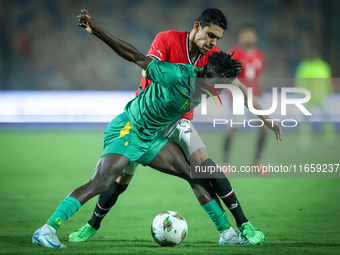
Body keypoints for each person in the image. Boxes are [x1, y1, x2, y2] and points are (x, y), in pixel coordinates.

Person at [32, 9, 282, 248]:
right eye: (216, 87)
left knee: (194, 172)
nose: (217, 92)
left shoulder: (211, 73)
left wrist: (266, 118)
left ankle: (228, 232)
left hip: (154, 134)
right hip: (131, 127)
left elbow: (239, 86)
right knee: (102, 182)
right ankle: (47, 230)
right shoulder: (174, 73)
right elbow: (136, 57)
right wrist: (97, 30)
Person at [223, 24, 267, 171]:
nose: (248, 36)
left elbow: (257, 77)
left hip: (254, 97)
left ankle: (257, 163)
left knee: (264, 128)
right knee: (233, 129)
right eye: (245, 34)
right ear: (240, 36)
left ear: (255, 37)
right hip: (238, 97)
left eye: (251, 34)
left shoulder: (259, 54)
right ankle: (225, 164)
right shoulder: (234, 54)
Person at [295, 45, 336, 150]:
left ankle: (330, 137)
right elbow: (300, 81)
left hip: (321, 96)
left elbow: (327, 81)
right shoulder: (304, 66)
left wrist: (330, 92)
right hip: (308, 97)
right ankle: (305, 139)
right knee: (305, 119)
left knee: (327, 118)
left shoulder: (323, 66)